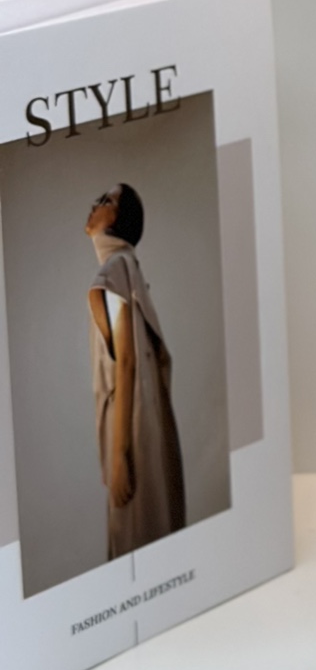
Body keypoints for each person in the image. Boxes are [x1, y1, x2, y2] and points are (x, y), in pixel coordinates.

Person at [85, 184, 186, 558]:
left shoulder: (116, 268)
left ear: (118, 219)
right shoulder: (129, 268)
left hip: (130, 432)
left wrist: (118, 458)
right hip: (145, 424)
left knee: (133, 537)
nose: (94, 204)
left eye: (105, 200)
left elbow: (125, 361)